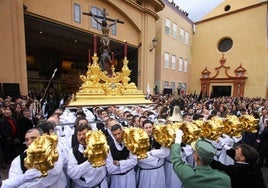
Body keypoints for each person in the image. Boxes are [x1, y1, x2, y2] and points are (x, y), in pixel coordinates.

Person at [67, 123, 108, 188]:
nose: (81, 137)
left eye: (84, 134)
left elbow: (101, 168)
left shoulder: (99, 148)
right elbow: (72, 173)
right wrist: (90, 161)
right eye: (79, 135)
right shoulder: (72, 152)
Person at [136, 120, 170, 188]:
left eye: (150, 127)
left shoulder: (159, 137)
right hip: (146, 173)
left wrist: (151, 152)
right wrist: (157, 158)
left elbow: (166, 152)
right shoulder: (138, 140)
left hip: (159, 171)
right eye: (146, 128)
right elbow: (140, 156)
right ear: (143, 128)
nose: (149, 130)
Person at [106, 124, 137, 188]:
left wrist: (119, 163)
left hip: (130, 176)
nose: (117, 136)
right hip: (116, 179)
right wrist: (128, 163)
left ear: (122, 132)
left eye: (118, 133)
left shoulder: (129, 142)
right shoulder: (108, 147)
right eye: (114, 135)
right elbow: (110, 169)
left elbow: (134, 161)